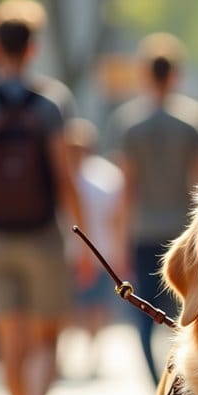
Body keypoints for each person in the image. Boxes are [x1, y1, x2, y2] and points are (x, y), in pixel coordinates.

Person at [0, 0, 89, 395]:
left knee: (10, 335)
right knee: (48, 335)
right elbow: (64, 175)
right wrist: (83, 234)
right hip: (43, 233)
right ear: (33, 49)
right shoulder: (51, 102)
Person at [107, 32, 198, 385]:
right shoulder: (194, 122)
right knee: (185, 307)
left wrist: (119, 240)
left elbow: (127, 188)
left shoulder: (129, 124)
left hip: (143, 229)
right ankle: (182, 373)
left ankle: (158, 381)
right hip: (182, 229)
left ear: (145, 75)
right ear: (175, 75)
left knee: (143, 311)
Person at [64, 118, 126, 374]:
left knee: (97, 307)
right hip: (68, 253)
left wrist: (119, 251)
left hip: (101, 252)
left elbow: (117, 216)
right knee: (69, 307)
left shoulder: (105, 176)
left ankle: (94, 353)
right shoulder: (63, 175)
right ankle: (66, 354)